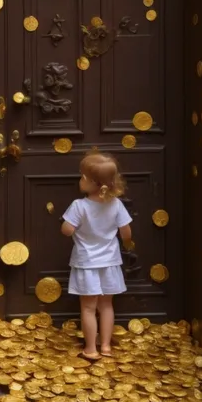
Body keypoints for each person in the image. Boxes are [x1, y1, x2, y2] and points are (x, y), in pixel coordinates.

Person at [61, 153, 132, 360]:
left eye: (83, 177)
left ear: (93, 183)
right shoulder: (116, 204)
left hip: (86, 263)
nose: (80, 180)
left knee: (88, 307)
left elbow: (67, 230)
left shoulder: (79, 206)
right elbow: (126, 232)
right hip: (110, 262)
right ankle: (107, 346)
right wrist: (125, 243)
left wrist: (69, 225)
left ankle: (91, 349)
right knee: (107, 305)